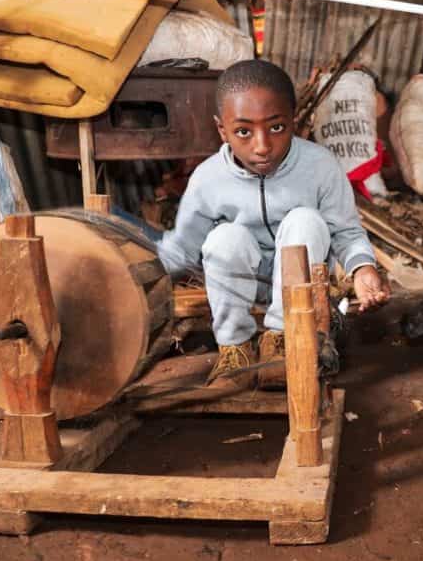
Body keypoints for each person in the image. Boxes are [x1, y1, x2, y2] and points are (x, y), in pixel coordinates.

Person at [157, 59, 390, 388]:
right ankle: (235, 349)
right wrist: (142, 269)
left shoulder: (319, 165)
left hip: (302, 290)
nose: (262, 145)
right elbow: (183, 246)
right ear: (221, 130)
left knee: (305, 220)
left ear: (293, 121)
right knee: (223, 237)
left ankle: (281, 342)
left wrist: (363, 268)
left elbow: (347, 233)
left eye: (276, 127)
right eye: (243, 132)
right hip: (242, 288)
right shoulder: (208, 178)